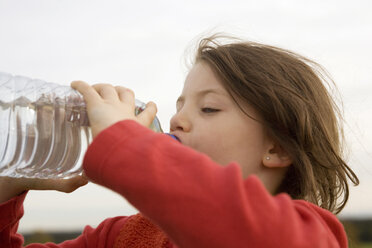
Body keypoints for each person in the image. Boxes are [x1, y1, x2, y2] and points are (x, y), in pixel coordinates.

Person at [0, 34, 359, 248]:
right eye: (180, 105)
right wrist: (7, 188)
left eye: (209, 108)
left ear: (277, 147)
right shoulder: (124, 237)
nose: (177, 120)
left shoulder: (308, 234)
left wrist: (127, 147)